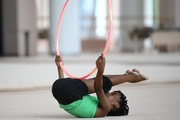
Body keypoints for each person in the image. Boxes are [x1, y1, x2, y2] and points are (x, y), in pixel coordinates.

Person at [52, 54, 148, 118]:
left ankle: (131, 77)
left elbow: (98, 88)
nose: (108, 94)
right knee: (100, 82)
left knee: (102, 84)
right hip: (58, 89)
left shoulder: (105, 109)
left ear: (116, 105)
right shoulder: (95, 105)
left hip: (66, 92)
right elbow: (63, 87)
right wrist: (60, 68)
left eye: (113, 94)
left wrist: (100, 69)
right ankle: (128, 77)